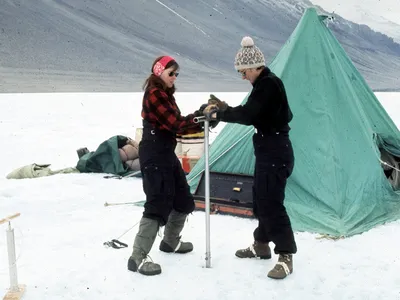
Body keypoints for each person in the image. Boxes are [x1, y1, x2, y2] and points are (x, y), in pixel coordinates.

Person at [203, 36, 297, 279]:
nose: (242, 77)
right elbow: (254, 113)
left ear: (256, 66)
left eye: (244, 72)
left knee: (271, 203)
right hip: (270, 151)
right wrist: (226, 109)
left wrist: (222, 112)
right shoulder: (264, 84)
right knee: (261, 199)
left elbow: (248, 115)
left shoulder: (268, 85)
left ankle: (286, 255)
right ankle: (261, 244)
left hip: (275, 151)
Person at [127, 55, 207, 276]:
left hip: (165, 152)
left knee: (182, 197)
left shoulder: (165, 95)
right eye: (171, 73)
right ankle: (138, 257)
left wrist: (202, 117)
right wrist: (201, 117)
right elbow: (176, 124)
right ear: (159, 72)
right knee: (157, 202)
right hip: (154, 153)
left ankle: (170, 242)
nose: (174, 77)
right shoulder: (155, 94)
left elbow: (178, 121)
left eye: (176, 74)